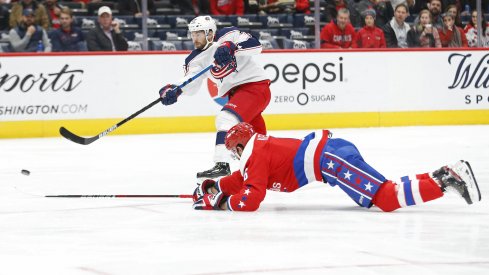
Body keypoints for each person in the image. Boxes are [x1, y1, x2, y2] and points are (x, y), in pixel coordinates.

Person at [192, 122, 482, 211]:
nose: (233, 156)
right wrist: (214, 188)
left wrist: (221, 203)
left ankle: (445, 180)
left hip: (331, 160)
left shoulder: (255, 155)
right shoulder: (257, 151)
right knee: (383, 193)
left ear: (241, 146)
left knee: (385, 199)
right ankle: (439, 176)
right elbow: (242, 179)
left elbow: (251, 199)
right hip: (330, 156)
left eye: (233, 151)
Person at [158, 15, 271, 179]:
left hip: (255, 86)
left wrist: (232, 47)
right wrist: (175, 90)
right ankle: (265, 166)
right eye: (193, 34)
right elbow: (190, 83)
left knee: (226, 118)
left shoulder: (228, 34)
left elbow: (256, 45)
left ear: (210, 33)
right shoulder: (194, 59)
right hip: (237, 95)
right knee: (256, 140)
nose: (195, 38)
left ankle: (221, 164)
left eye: (199, 34)